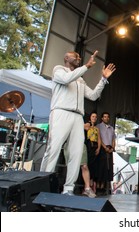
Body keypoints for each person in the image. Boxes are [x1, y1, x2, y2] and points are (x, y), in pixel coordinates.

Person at [40, 50, 116, 195]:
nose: (79, 58)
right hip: (61, 112)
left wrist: (103, 80)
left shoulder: (80, 79)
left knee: (76, 153)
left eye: (80, 57)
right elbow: (66, 79)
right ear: (66, 58)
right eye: (76, 56)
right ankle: (43, 185)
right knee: (53, 149)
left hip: (77, 117)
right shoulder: (59, 70)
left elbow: (93, 96)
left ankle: (68, 189)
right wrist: (86, 66)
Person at [96, 112, 116, 195]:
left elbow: (113, 139)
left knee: (107, 169)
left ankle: (103, 188)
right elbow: (98, 138)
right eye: (104, 117)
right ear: (102, 118)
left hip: (110, 149)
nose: (106, 118)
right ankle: (97, 187)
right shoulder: (98, 126)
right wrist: (104, 147)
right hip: (102, 148)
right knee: (100, 168)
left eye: (107, 117)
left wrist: (113, 148)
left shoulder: (111, 128)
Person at [84, 112, 101, 194]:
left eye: (95, 117)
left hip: (95, 146)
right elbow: (86, 128)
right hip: (88, 146)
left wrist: (98, 147)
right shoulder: (88, 125)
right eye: (93, 116)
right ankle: (87, 185)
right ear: (90, 117)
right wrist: (89, 124)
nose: (94, 118)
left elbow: (99, 139)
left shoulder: (97, 129)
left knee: (94, 166)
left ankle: (92, 184)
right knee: (88, 164)